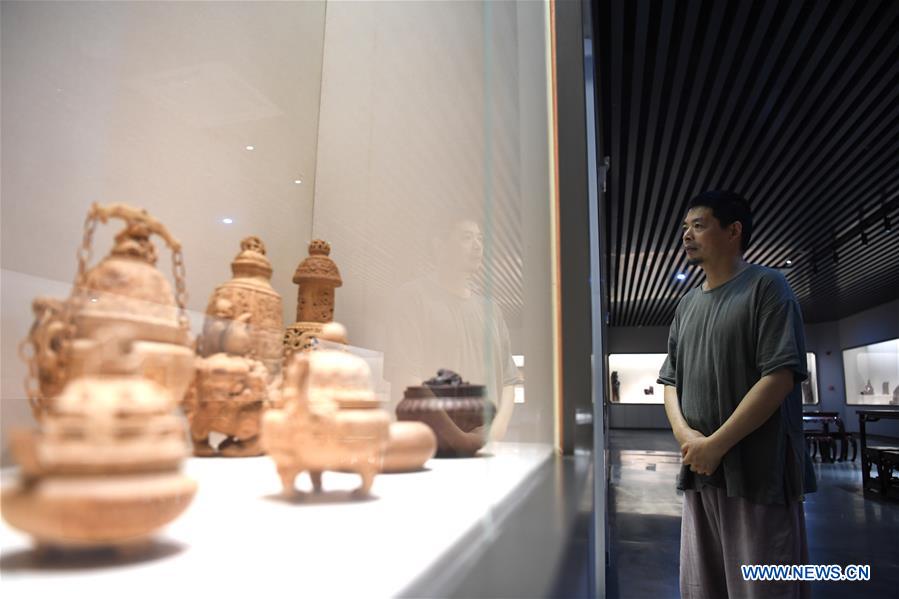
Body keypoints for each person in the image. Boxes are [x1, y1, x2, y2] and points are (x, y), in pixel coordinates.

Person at [657, 191, 816, 599]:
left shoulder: (767, 286)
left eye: (698, 225)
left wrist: (716, 444)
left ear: (733, 231)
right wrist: (689, 439)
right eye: (684, 228)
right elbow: (671, 381)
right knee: (703, 585)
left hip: (757, 473)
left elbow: (779, 376)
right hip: (702, 471)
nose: (686, 235)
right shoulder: (687, 304)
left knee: (762, 586)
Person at [384, 215, 520, 443]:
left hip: (488, 453)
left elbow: (509, 381)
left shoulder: (492, 310)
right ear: (439, 245)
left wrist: (494, 432)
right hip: (431, 452)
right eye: (467, 237)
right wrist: (458, 438)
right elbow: (407, 381)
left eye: (480, 239)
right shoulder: (412, 298)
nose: (477, 245)